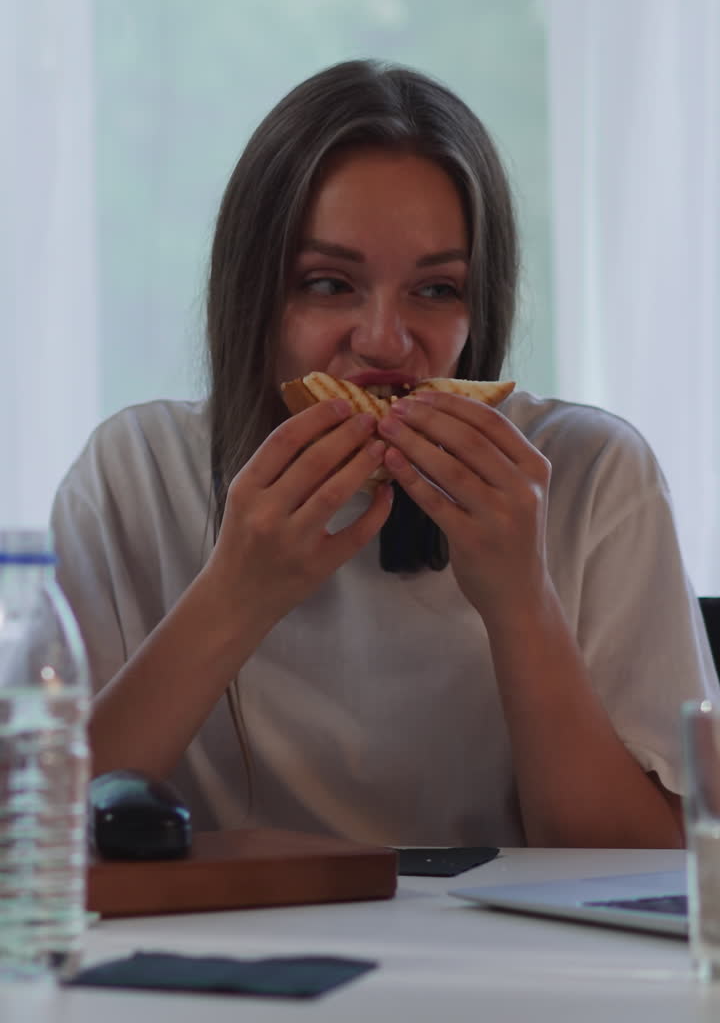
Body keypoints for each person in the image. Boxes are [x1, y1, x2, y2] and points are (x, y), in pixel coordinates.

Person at [51, 59, 716, 849]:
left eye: (436, 290)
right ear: (253, 293)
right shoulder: (133, 473)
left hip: (510, 969)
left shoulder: (590, 475)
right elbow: (37, 837)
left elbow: (650, 878)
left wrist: (520, 599)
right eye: (329, 284)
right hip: (215, 961)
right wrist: (236, 593)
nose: (386, 343)